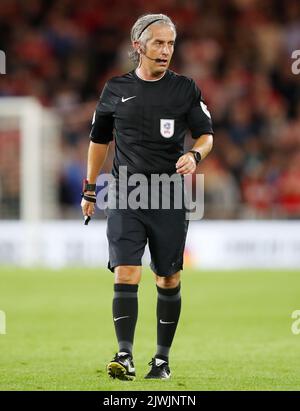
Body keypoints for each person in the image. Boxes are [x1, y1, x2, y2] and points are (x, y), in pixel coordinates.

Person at [81, 13, 214, 381]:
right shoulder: (114, 89)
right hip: (126, 193)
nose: (166, 50)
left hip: (169, 196)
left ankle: (161, 360)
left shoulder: (185, 89)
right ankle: (124, 355)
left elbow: (206, 134)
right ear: (138, 45)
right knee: (126, 270)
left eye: (171, 43)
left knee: (168, 278)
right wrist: (90, 188)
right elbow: (99, 141)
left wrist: (195, 155)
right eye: (158, 42)